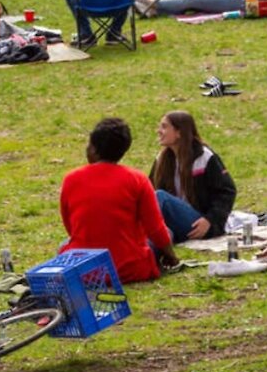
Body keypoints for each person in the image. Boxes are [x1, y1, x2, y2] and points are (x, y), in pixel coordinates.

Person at [59, 117, 178, 284]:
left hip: (84, 270)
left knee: (65, 244)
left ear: (93, 148)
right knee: (168, 233)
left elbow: (71, 227)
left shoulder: (71, 179)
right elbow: (156, 229)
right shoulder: (137, 179)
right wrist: (171, 257)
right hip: (129, 269)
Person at [149, 111, 236, 242]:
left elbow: (227, 191)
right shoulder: (162, 159)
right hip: (174, 223)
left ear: (179, 132)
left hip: (199, 224)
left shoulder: (204, 157)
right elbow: (148, 190)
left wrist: (209, 220)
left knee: (160, 197)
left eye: (164, 127)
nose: (159, 131)